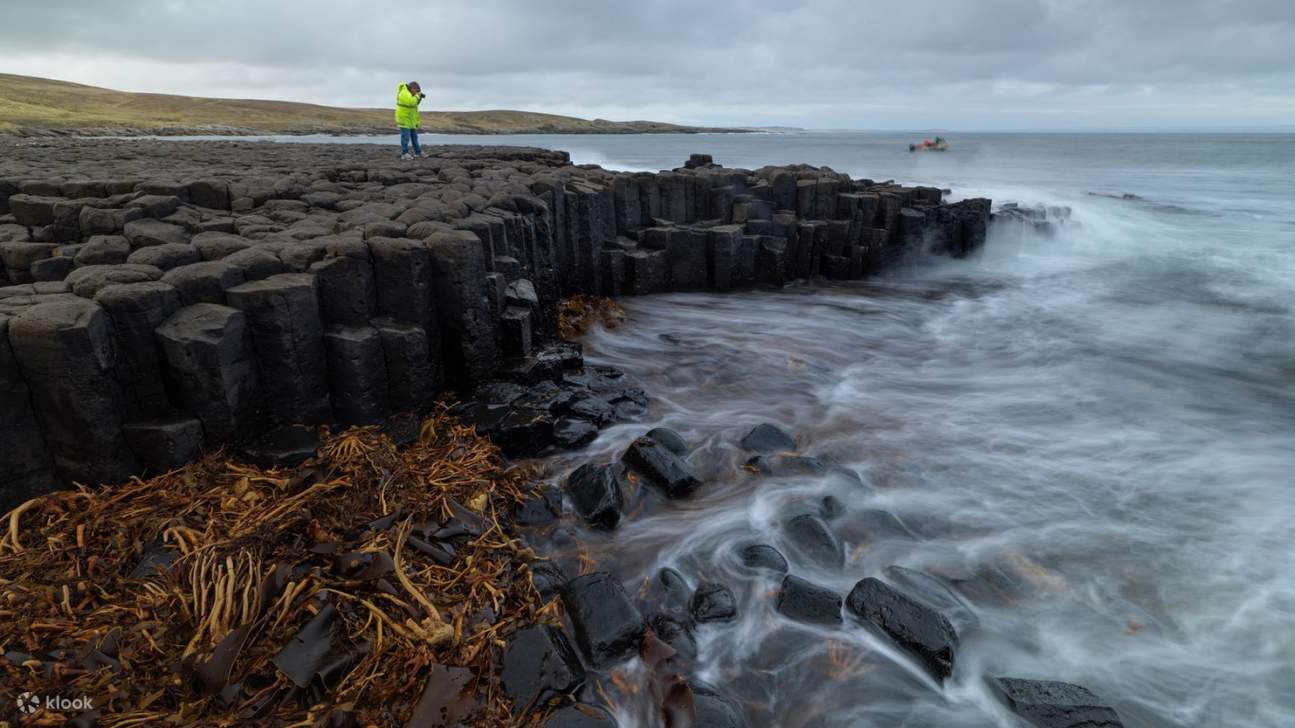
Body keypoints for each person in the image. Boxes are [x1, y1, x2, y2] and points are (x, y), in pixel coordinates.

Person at [395, 81, 425, 160]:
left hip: (410, 119)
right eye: (416, 90)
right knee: (405, 137)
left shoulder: (410, 94)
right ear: (412, 88)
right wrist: (417, 96)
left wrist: (419, 98)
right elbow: (410, 102)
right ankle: (404, 154)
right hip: (404, 119)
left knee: (414, 137)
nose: (417, 92)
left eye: (418, 91)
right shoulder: (404, 93)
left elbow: (414, 104)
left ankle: (418, 152)